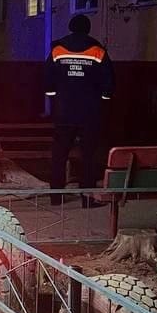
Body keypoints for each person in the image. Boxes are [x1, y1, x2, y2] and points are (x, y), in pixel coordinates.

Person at [44, 14, 114, 206]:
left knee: (59, 155)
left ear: (70, 27)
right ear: (88, 29)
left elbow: (48, 79)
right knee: (88, 155)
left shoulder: (58, 50)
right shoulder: (97, 51)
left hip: (64, 112)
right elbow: (108, 82)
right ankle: (87, 198)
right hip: (89, 113)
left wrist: (54, 100)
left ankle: (56, 197)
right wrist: (103, 101)